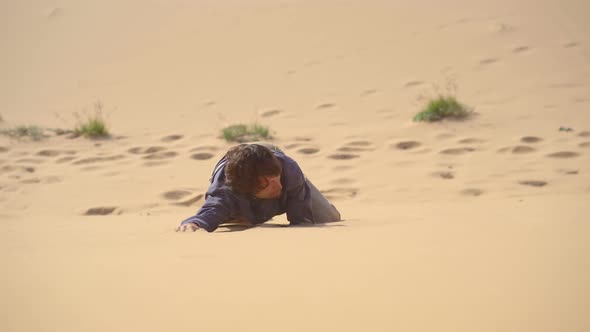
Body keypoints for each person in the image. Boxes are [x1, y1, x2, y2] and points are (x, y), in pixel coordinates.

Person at [176, 142, 341, 232]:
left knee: (330, 217)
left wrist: (302, 220)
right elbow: (206, 216)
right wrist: (194, 225)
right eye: (267, 183)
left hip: (267, 155)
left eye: (276, 177)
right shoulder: (226, 193)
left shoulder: (288, 171)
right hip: (239, 172)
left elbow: (301, 221)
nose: (279, 186)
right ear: (247, 188)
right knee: (235, 221)